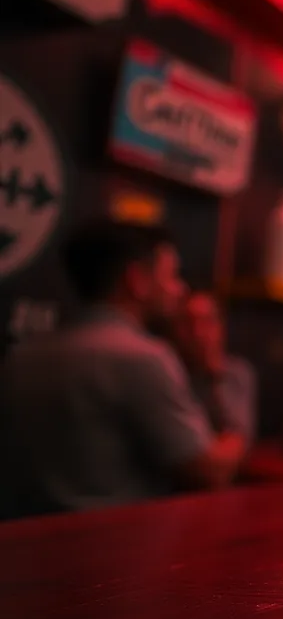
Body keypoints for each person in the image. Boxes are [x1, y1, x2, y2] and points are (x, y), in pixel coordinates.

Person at [0, 221, 245, 518]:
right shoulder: (144, 358)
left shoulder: (23, 355)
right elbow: (209, 473)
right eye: (172, 276)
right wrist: (236, 436)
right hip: (113, 552)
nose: (180, 290)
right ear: (137, 280)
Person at [176, 292, 256, 447]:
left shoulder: (239, 373)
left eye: (206, 322)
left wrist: (215, 378)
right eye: (189, 323)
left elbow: (240, 435)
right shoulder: (172, 371)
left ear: (220, 326)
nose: (197, 332)